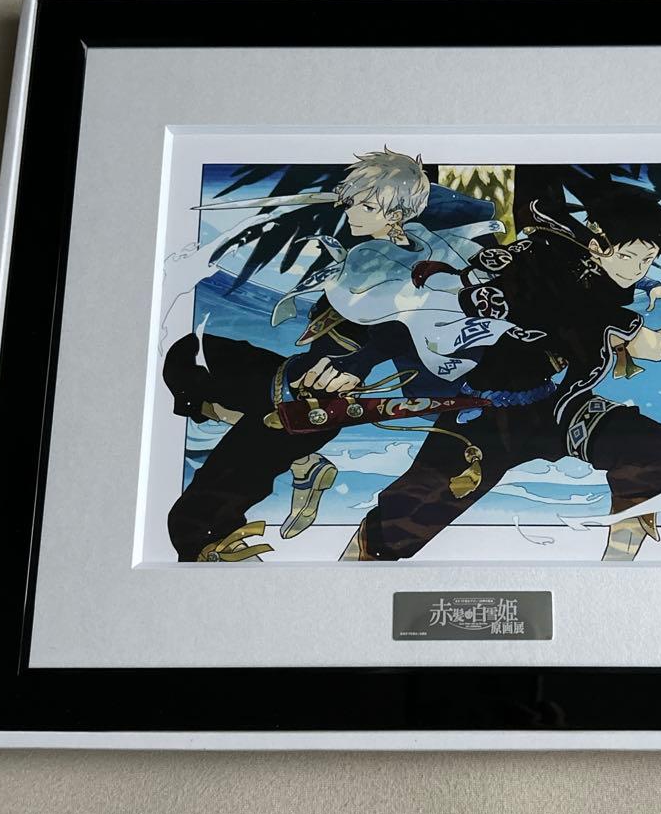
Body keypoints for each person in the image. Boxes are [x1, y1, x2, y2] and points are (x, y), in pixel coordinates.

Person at [340, 187, 661, 562]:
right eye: (627, 257)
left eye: (646, 260)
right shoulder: (560, 282)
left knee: (653, 449)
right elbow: (654, 348)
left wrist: (649, 285)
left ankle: (618, 566)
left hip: (551, 410)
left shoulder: (554, 259)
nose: (634, 269)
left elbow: (604, 286)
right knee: (401, 523)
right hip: (485, 417)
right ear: (596, 245)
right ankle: (355, 569)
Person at [162, 148, 496, 562]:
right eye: (351, 201)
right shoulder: (385, 244)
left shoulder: (432, 262)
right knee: (189, 354)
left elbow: (409, 320)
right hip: (304, 376)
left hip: (323, 400)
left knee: (194, 524)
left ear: (396, 214)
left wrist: (355, 364)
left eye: (365, 206)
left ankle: (221, 531)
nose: (352, 212)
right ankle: (304, 463)